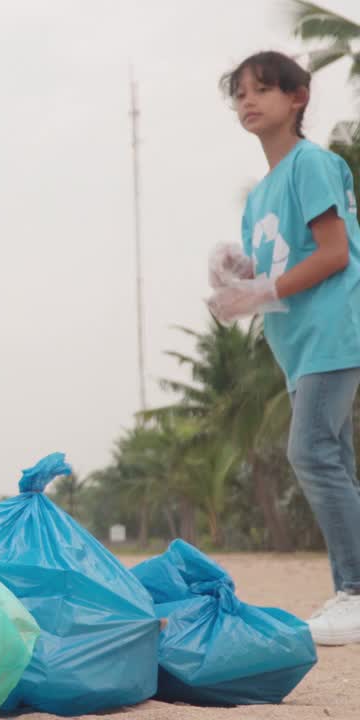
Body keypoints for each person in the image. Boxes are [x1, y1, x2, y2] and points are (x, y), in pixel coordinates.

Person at [208, 50, 360, 646]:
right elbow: (279, 266)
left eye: (263, 90)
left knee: (312, 452)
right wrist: (238, 277)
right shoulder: (260, 195)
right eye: (240, 93)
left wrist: (262, 286)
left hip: (333, 330)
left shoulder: (312, 165)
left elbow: (334, 254)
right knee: (334, 460)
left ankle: (355, 592)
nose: (248, 101)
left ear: (297, 98)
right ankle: (351, 589)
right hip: (297, 346)